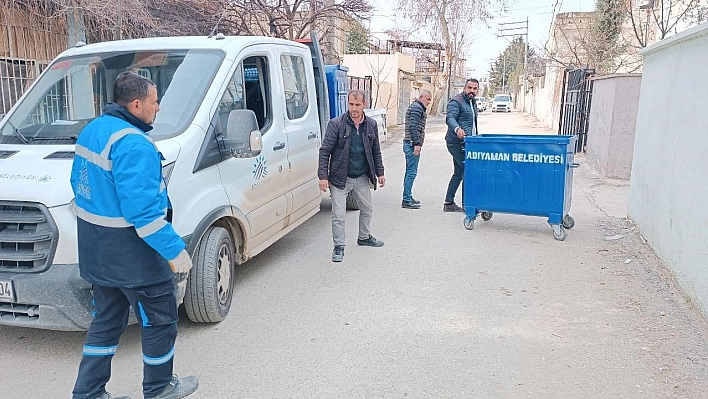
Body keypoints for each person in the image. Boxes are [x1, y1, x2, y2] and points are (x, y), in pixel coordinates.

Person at [70, 72, 199, 399]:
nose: (158, 108)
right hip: (132, 254)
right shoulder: (133, 143)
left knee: (106, 321)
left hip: (97, 249)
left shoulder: (94, 129)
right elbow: (143, 214)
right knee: (160, 320)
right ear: (137, 103)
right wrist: (175, 251)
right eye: (155, 102)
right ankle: (159, 389)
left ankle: (88, 393)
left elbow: (79, 186)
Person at [318, 90, 386, 262]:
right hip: (340, 178)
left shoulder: (371, 124)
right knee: (338, 215)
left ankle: (364, 237)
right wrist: (323, 176)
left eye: (357, 105)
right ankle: (339, 247)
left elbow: (376, 151)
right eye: (351, 104)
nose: (353, 108)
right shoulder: (336, 124)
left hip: (362, 176)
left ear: (365, 105)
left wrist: (380, 173)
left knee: (367, 209)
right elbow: (325, 151)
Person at [443, 78, 480, 212]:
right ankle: (467, 204)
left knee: (459, 172)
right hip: (456, 143)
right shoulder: (456, 101)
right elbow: (450, 118)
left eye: (475, 89)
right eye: (469, 88)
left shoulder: (473, 102)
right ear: (464, 88)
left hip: (469, 143)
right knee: (468, 171)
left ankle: (448, 203)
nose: (472, 91)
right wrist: (457, 129)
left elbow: (473, 124)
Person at [402, 90, 432, 209]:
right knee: (411, 172)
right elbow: (413, 126)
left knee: (410, 171)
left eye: (430, 99)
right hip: (411, 144)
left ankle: (408, 196)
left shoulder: (417, 107)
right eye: (427, 99)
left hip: (410, 143)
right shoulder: (417, 108)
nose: (429, 102)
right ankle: (407, 199)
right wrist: (416, 144)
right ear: (421, 97)